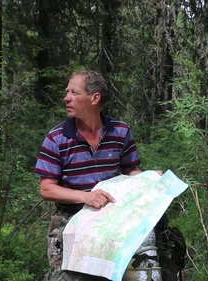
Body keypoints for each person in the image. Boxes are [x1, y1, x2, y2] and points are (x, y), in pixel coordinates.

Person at [34, 70, 144, 281]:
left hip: (111, 219)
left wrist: (148, 181)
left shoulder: (120, 131)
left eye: (74, 93)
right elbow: (46, 188)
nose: (66, 98)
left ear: (94, 98)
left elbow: (132, 169)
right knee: (66, 277)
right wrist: (86, 197)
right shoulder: (57, 137)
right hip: (69, 219)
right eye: (67, 92)